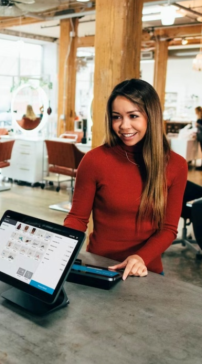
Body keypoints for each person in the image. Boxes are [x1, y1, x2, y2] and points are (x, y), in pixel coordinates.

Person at [64, 79, 187, 279]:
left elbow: (169, 229)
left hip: (146, 271)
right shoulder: (94, 160)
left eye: (133, 116)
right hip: (99, 267)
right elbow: (77, 219)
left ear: (151, 116)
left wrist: (140, 257)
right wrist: (61, 247)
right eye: (116, 117)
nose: (123, 125)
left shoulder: (176, 165)